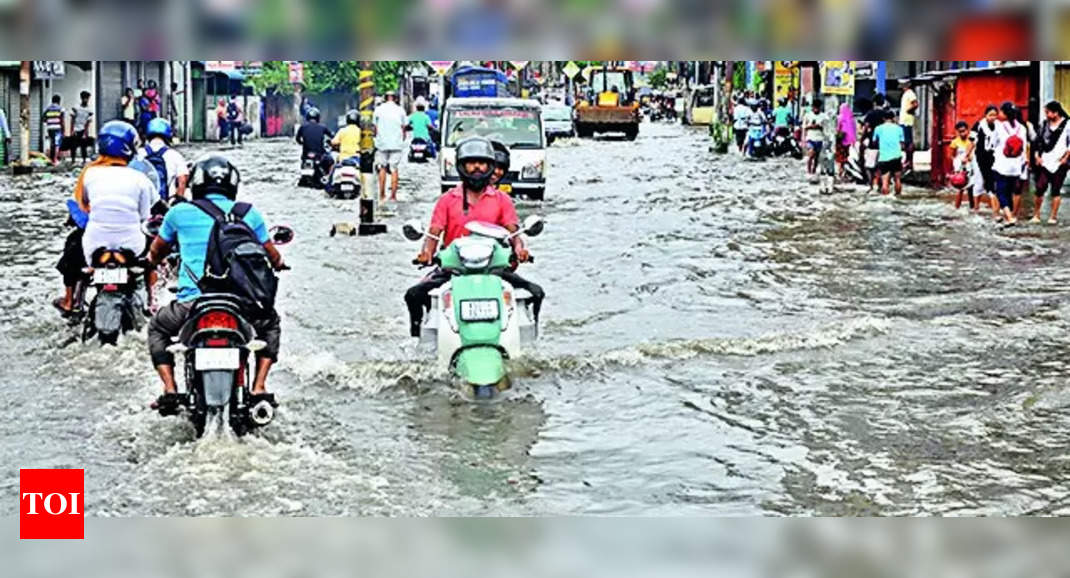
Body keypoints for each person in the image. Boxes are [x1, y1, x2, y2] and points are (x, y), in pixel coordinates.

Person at [145, 154, 286, 412]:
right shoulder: (248, 213)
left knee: (157, 328)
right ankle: (258, 387)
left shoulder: (178, 213)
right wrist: (279, 264)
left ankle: (170, 389)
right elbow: (272, 255)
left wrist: (154, 260)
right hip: (242, 304)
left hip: (193, 304)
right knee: (271, 325)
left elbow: (157, 251)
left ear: (196, 183)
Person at [405, 137, 534, 337]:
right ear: (461, 166)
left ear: (490, 166)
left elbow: (514, 232)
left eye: (481, 163)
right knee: (414, 295)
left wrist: (519, 249)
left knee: (536, 293)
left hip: (494, 269)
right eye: (471, 163)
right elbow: (433, 234)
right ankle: (419, 340)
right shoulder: (447, 200)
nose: (477, 168)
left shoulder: (502, 200)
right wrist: (426, 253)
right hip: (454, 270)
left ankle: (528, 342)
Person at [70, 121, 156, 320]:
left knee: (79, 263)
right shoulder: (140, 179)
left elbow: (84, 205)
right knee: (154, 255)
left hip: (94, 246)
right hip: (132, 246)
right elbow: (144, 216)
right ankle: (152, 301)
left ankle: (75, 302)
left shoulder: (89, 173)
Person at [1032, 100, 1070, 224]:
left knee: (1056, 189)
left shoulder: (1067, 124)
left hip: (1060, 162)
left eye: (1048, 112)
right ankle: (1036, 214)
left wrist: (1065, 158)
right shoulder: (1044, 125)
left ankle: (1053, 217)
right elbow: (1038, 141)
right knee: (1039, 187)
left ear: (1056, 113)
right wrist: (1037, 155)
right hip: (1045, 161)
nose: (1046, 115)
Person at [991, 101, 1028, 225]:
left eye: (1000, 112)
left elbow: (992, 143)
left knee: (1000, 192)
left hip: (1002, 165)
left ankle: (1009, 217)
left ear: (1005, 114)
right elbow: (1024, 147)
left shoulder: (999, 126)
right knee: (1010, 191)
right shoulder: (1022, 128)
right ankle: (1010, 215)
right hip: (1016, 166)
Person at [139, 118, 189, 202]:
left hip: (143, 202)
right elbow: (182, 180)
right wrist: (177, 202)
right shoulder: (174, 155)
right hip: (166, 203)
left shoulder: (139, 154)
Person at [373, 90, 407, 202]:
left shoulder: (378, 110)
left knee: (382, 167)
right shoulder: (400, 110)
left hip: (382, 143)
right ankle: (393, 196)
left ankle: (382, 195)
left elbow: (375, 128)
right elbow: (404, 128)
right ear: (395, 98)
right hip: (396, 143)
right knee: (394, 169)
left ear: (385, 97)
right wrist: (402, 139)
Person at [972, 105, 1001, 216]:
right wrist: (966, 155)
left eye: (995, 115)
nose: (993, 117)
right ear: (985, 115)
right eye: (990, 115)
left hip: (993, 157)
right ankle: (976, 207)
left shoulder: (999, 126)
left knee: (992, 182)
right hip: (979, 157)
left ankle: (995, 210)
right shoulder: (979, 125)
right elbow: (972, 141)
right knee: (979, 183)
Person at [874, 109, 905, 196]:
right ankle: (898, 196)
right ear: (893, 118)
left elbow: (874, 142)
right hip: (896, 157)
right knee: (897, 179)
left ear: (883, 118)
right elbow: (902, 144)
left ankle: (886, 199)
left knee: (885, 181)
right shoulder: (899, 129)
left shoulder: (878, 128)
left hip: (884, 157)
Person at [295, 106, 334, 175]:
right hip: (319, 155)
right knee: (331, 161)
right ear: (318, 117)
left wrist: (303, 143)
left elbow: (297, 139)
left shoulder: (302, 127)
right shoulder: (323, 127)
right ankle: (329, 179)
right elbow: (332, 136)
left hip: (306, 155)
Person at [861, 94, 888, 191]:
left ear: (874, 103)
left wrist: (862, 139)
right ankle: (880, 185)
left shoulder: (870, 114)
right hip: (885, 144)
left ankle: (871, 185)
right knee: (880, 166)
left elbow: (866, 127)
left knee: (869, 166)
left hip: (872, 144)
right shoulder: (886, 114)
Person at [949, 121, 976, 209]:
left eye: (964, 131)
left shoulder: (971, 141)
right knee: (960, 188)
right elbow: (952, 156)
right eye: (960, 131)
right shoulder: (954, 142)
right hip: (960, 167)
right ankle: (957, 208)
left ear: (968, 130)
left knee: (971, 189)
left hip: (971, 166)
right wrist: (956, 167)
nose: (962, 133)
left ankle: (972, 207)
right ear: (957, 132)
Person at [898, 78, 918, 173]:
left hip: (907, 120)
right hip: (904, 120)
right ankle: (907, 160)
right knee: (905, 142)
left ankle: (909, 161)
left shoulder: (910, 93)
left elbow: (915, 104)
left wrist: (908, 111)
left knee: (908, 141)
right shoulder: (906, 94)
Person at [69, 91, 94, 165]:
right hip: (76, 129)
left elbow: (88, 122)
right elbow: (72, 119)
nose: (86, 100)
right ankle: (73, 160)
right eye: (85, 98)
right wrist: (72, 130)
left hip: (83, 129)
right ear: (82, 98)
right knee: (73, 146)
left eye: (87, 98)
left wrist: (85, 133)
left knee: (84, 146)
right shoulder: (76, 108)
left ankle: (84, 160)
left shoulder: (89, 110)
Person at [803, 98, 826, 175]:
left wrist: (820, 127)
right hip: (810, 138)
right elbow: (804, 127)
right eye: (815, 107)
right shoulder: (808, 115)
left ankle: (814, 170)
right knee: (811, 154)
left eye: (818, 107)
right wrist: (812, 126)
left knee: (817, 157)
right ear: (812, 107)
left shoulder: (823, 116)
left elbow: (826, 128)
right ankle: (809, 171)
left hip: (820, 138)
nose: (816, 109)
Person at [835, 102, 857, 182]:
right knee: (845, 157)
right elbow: (854, 131)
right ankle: (843, 172)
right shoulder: (852, 119)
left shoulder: (840, 118)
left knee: (839, 158)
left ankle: (840, 173)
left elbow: (837, 129)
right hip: (849, 142)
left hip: (841, 141)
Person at [42, 94, 65, 164]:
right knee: (57, 144)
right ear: (59, 101)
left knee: (52, 143)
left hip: (50, 128)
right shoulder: (60, 109)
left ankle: (52, 159)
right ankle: (55, 160)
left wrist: (49, 121)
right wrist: (63, 130)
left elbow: (43, 119)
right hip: (57, 128)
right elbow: (62, 120)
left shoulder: (47, 109)